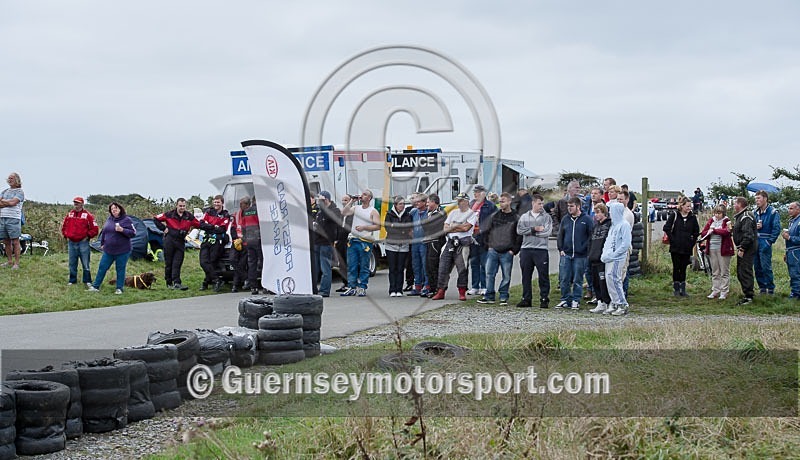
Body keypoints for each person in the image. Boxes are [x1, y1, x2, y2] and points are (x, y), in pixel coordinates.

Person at [477, 193, 522, 305]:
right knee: (489, 274)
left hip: (507, 251)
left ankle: (503, 296)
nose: (501, 203)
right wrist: (488, 246)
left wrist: (514, 250)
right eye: (500, 201)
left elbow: (519, 235)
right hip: (493, 250)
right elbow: (487, 231)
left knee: (506, 275)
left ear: (509, 202)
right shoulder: (495, 215)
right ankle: (489, 296)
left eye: (503, 201)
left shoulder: (516, 217)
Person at [431, 193, 477, 301]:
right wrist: (456, 227)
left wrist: (454, 226)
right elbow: (445, 228)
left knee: (462, 268)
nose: (459, 203)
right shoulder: (453, 213)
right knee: (443, 267)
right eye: (458, 201)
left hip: (463, 243)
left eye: (461, 201)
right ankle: (441, 291)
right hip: (450, 242)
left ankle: (462, 291)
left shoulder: (471, 214)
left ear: (466, 201)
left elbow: (466, 228)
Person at [87, 202, 136, 294]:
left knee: (120, 269)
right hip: (108, 250)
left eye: (116, 208)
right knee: (102, 267)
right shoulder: (109, 219)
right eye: (112, 209)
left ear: (120, 209)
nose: (114, 210)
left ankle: (119, 288)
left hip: (123, 250)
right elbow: (104, 232)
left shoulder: (126, 220)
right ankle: (95, 286)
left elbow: (133, 233)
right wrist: (102, 243)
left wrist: (122, 230)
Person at [340, 190, 380, 297]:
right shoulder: (356, 208)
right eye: (362, 194)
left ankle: (362, 287)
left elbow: (378, 226)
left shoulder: (373, 211)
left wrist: (364, 227)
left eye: (365, 194)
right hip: (353, 239)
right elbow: (344, 213)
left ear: (369, 198)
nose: (362, 196)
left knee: (364, 265)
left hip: (365, 241)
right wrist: (351, 201)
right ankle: (352, 287)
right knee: (351, 265)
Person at [515, 193, 553, 308]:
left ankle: (544, 298)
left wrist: (531, 232)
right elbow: (519, 230)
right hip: (526, 249)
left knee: (543, 275)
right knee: (526, 275)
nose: (541, 206)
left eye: (542, 203)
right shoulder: (524, 217)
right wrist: (534, 229)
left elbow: (546, 232)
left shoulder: (546, 217)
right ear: (533, 203)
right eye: (539, 203)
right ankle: (526, 298)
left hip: (541, 250)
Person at [555, 197, 594, 309]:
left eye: (571, 206)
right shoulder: (565, 219)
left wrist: (585, 249)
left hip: (580, 255)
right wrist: (560, 248)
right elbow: (560, 234)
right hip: (566, 254)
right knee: (564, 278)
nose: (569, 208)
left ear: (578, 206)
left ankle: (576, 299)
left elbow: (591, 236)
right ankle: (565, 299)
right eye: (568, 206)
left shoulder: (586, 219)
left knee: (578, 279)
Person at [154, 198, 200, 291]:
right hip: (169, 240)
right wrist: (163, 228)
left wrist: (211, 227)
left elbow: (198, 224)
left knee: (177, 262)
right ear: (176, 205)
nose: (182, 208)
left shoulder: (188, 216)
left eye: (184, 206)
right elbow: (156, 219)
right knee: (169, 263)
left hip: (180, 241)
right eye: (180, 206)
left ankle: (177, 282)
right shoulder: (169, 214)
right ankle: (168, 282)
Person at [663, 196, 699, 296]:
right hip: (675, 247)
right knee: (676, 267)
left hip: (687, 247)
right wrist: (672, 239)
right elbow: (666, 228)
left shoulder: (692, 218)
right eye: (687, 206)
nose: (689, 208)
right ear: (682, 206)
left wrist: (692, 242)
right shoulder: (674, 215)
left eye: (690, 206)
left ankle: (683, 288)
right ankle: (676, 288)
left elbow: (696, 232)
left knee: (683, 267)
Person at [601, 201, 632, 315]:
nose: (610, 213)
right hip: (609, 257)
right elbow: (609, 241)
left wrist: (615, 254)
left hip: (618, 257)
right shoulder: (614, 226)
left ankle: (622, 304)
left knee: (615, 279)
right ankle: (614, 302)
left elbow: (625, 243)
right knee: (609, 279)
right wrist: (605, 254)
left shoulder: (624, 225)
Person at [61, 196, 99, 287]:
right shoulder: (70, 214)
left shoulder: (88, 215)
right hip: (71, 242)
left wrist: (87, 236)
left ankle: (87, 280)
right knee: (72, 262)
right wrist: (66, 235)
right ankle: (72, 280)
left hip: (83, 243)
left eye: (78, 203)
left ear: (82, 204)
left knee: (85, 262)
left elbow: (95, 229)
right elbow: (64, 226)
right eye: (75, 203)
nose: (76, 205)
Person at [698, 204, 734, 299]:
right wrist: (709, 231)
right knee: (715, 271)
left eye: (719, 213)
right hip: (712, 248)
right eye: (715, 213)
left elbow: (727, 232)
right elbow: (703, 233)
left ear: (723, 213)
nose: (717, 215)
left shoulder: (727, 221)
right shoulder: (711, 221)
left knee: (724, 271)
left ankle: (724, 291)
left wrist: (715, 231)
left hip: (723, 249)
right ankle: (715, 290)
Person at [198, 195, 230, 292]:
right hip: (207, 239)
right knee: (203, 262)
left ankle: (206, 282)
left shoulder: (225, 214)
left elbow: (222, 229)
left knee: (212, 262)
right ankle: (217, 280)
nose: (216, 204)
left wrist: (210, 226)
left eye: (218, 202)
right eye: (215, 202)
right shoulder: (208, 211)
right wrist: (213, 227)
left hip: (217, 241)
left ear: (222, 203)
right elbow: (202, 224)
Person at [467, 185, 495, 295]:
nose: (475, 194)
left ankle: (484, 286)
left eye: (478, 192)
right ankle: (475, 286)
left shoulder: (490, 206)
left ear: (483, 193)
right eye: (474, 192)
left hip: (484, 237)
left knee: (484, 263)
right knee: (474, 262)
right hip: (472, 236)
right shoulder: (471, 205)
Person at [312, 191, 341, 297]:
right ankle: (313, 288)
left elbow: (331, 218)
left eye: (321, 200)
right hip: (317, 242)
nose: (319, 202)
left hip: (326, 243)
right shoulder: (320, 211)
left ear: (326, 200)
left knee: (325, 268)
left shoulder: (334, 210)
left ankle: (324, 290)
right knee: (315, 267)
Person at [753, 190, 781, 295]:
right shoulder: (755, 212)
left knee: (766, 267)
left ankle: (770, 289)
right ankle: (762, 288)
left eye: (759, 198)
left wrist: (770, 242)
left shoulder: (773, 212)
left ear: (765, 199)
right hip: (756, 241)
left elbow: (776, 228)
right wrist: (755, 227)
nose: (757, 201)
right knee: (757, 267)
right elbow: (751, 227)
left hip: (765, 240)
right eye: (756, 199)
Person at [384, 195, 412, 297]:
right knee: (392, 268)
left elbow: (408, 228)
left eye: (404, 204)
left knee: (400, 268)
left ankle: (399, 289)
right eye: (400, 204)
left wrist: (397, 228)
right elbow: (388, 229)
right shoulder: (389, 215)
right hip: (391, 245)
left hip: (403, 245)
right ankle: (392, 289)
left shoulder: (408, 215)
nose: (402, 206)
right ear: (395, 205)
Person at [588, 202, 613, 313]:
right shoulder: (595, 226)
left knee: (604, 282)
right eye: (595, 212)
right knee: (596, 282)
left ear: (604, 213)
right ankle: (600, 302)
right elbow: (590, 242)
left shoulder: (609, 225)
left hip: (603, 259)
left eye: (598, 212)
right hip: (593, 258)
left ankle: (608, 302)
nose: (596, 215)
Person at [732, 197, 757, 305]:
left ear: (740, 204)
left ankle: (749, 296)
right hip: (743, 247)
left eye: (734, 204)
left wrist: (742, 248)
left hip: (747, 248)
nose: (733, 206)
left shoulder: (746, 217)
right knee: (740, 271)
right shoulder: (740, 217)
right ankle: (746, 294)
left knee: (745, 271)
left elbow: (748, 235)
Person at [422, 194, 446, 298]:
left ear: (434, 202)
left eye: (428, 202)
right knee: (428, 266)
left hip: (436, 241)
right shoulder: (429, 213)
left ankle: (437, 289)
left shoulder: (440, 213)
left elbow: (434, 227)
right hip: (428, 240)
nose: (427, 204)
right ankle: (431, 288)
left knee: (433, 265)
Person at [0, 172, 24, 269]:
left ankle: (16, 263)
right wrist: (8, 202)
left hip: (13, 218)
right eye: (9, 178)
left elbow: (14, 203)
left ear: (17, 180)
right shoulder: (5, 191)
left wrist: (5, 202)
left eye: (12, 178)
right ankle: (9, 261)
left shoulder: (19, 192)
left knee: (15, 241)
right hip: (2, 218)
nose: (10, 180)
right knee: (6, 241)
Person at [229, 196, 253, 293]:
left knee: (241, 264)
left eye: (241, 204)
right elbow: (233, 227)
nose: (240, 205)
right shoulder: (236, 214)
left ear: (247, 205)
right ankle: (245, 278)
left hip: (246, 242)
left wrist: (243, 239)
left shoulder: (251, 215)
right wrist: (235, 239)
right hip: (236, 242)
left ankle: (235, 285)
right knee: (232, 260)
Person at [408, 193, 429, 296]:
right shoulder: (413, 212)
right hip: (415, 242)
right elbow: (408, 224)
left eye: (419, 201)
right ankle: (417, 286)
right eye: (416, 201)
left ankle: (427, 286)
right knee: (416, 265)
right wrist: (411, 233)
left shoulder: (428, 212)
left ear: (425, 202)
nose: (417, 203)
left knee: (425, 264)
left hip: (424, 242)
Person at [334, 193, 354, 293]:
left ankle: (351, 283)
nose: (344, 202)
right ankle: (344, 283)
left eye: (346, 200)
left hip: (349, 240)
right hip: (340, 241)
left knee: (349, 262)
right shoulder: (341, 214)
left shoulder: (353, 213)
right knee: (341, 263)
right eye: (343, 200)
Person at [782, 201, 800, 300]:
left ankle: (796, 294)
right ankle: (794, 292)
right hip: (790, 251)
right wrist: (786, 252)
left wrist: (789, 238)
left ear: (798, 209)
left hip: (797, 251)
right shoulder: (791, 221)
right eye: (789, 208)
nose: (789, 210)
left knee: (796, 273)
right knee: (792, 273)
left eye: (791, 208)